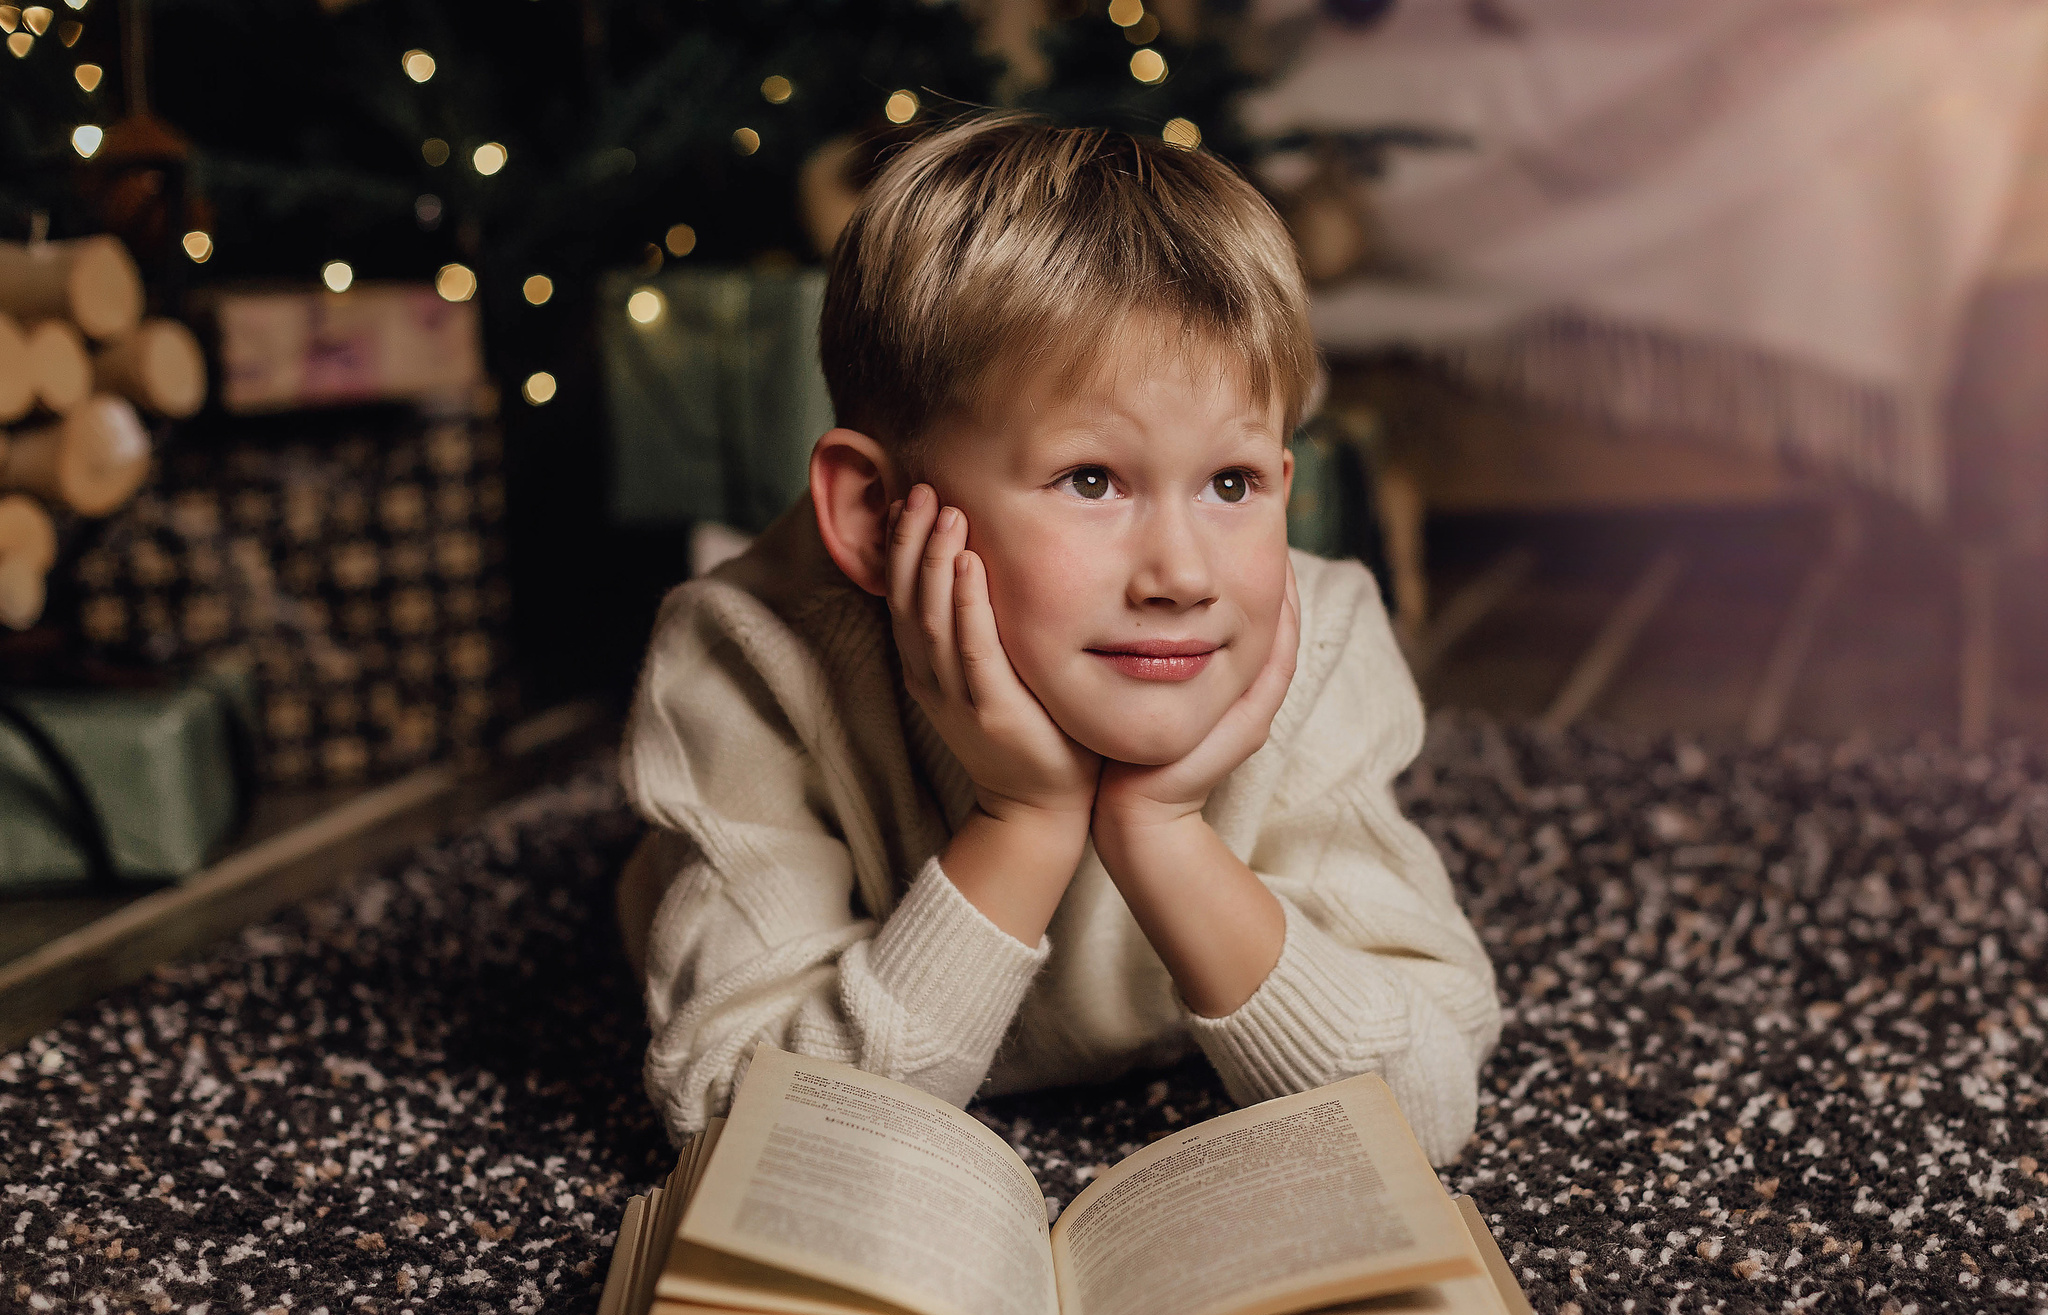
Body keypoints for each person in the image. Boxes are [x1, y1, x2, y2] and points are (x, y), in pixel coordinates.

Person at [617, 113, 1501, 1164]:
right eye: (1091, 479)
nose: (1181, 576)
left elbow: (1429, 1098)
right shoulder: (744, 661)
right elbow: (741, 1130)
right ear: (872, 511)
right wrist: (1025, 821)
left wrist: (1164, 832)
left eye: (1231, 483)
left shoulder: (1317, 640)